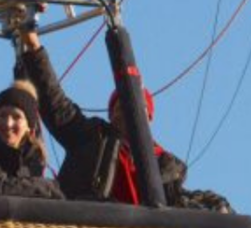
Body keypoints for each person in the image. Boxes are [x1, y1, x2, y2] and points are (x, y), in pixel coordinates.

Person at [18, 29, 186, 204]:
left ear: (149, 117)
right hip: (92, 226)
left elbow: (180, 205)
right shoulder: (92, 138)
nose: (128, 113)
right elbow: (55, 103)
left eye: (137, 108)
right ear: (111, 115)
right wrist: (34, 48)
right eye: (121, 107)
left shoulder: (167, 166)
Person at [0, 81, 63, 199]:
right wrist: (46, 186)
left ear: (29, 126)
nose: (8, 123)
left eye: (16, 117)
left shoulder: (34, 157)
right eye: (2, 115)